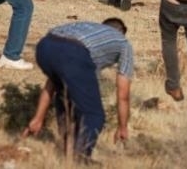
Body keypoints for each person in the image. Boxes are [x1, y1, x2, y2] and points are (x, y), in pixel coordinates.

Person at [23, 18, 133, 161]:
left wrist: (38, 118)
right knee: (93, 114)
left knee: (65, 94)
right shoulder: (123, 43)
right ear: (121, 32)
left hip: (45, 46)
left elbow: (51, 83)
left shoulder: (88, 28)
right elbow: (123, 94)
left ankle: (67, 150)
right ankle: (79, 158)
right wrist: (122, 127)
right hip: (74, 53)